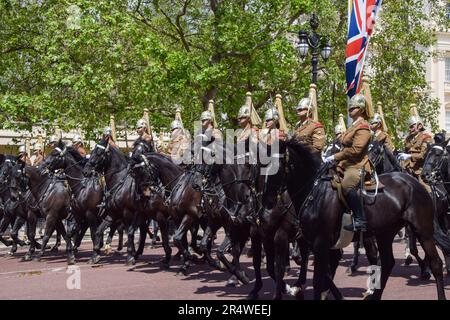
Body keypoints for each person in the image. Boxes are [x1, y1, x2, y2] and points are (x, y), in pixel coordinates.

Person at [324, 94, 372, 232]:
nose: (350, 110)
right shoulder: (353, 126)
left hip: (356, 165)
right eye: (349, 107)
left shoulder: (363, 127)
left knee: (346, 185)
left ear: (362, 109)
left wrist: (335, 157)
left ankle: (360, 219)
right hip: (344, 164)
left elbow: (356, 150)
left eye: (354, 107)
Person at [397, 116, 432, 192]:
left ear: (419, 126)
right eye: (409, 127)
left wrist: (409, 156)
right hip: (407, 169)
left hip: (420, 170)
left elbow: (423, 155)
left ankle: (432, 201)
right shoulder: (408, 138)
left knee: (424, 186)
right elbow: (406, 152)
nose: (409, 129)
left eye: (412, 127)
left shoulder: (426, 137)